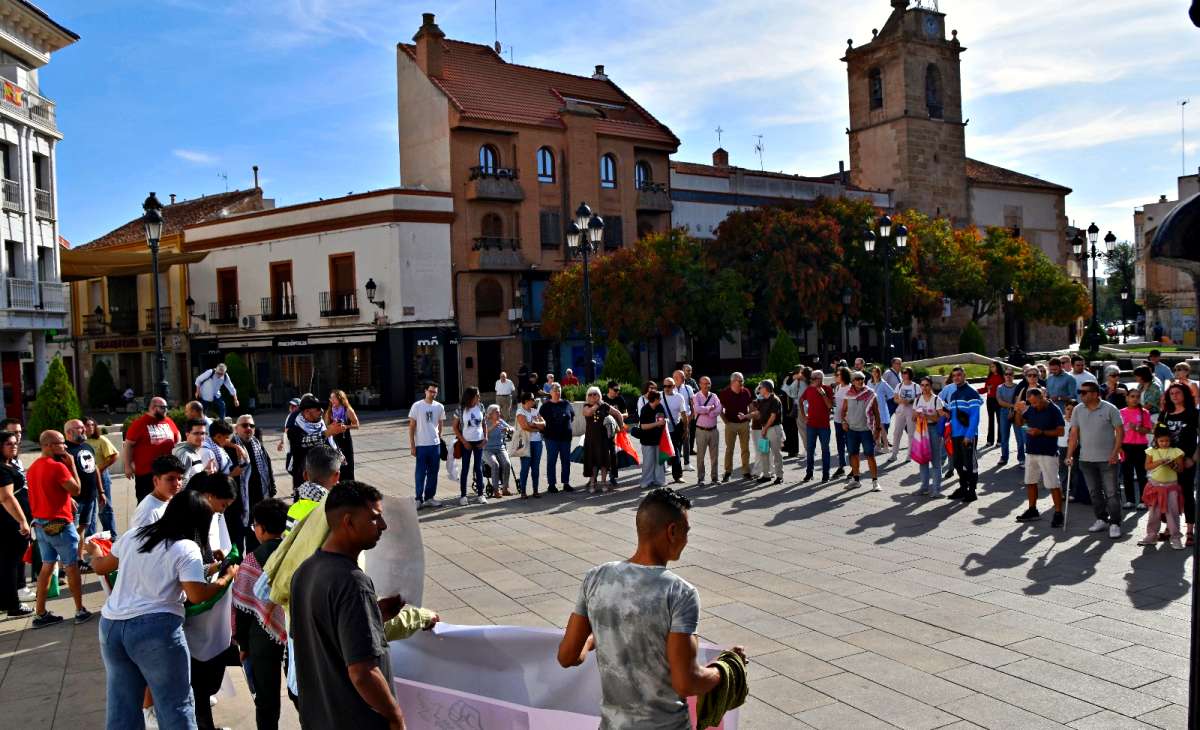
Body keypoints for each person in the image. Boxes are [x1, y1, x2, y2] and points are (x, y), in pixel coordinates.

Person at [557, 488, 745, 729]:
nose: (687, 540)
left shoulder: (596, 578)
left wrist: (601, 633)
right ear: (673, 531)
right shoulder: (679, 592)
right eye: (686, 532)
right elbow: (686, 682)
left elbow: (567, 656)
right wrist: (726, 667)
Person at [87, 490, 235, 730]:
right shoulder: (185, 547)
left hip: (112, 627)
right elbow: (197, 595)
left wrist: (94, 553)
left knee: (122, 707)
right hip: (156, 630)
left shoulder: (134, 535)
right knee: (175, 705)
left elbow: (102, 566)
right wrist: (226, 577)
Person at [290, 482, 407, 730]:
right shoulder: (352, 582)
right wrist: (395, 716)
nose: (383, 526)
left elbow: (321, 634)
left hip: (318, 718)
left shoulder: (305, 571)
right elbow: (362, 673)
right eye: (375, 518)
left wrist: (375, 614)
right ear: (348, 521)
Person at [234, 497, 290, 730]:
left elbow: (242, 609)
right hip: (296, 634)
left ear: (262, 528)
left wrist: (243, 646)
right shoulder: (295, 552)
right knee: (303, 692)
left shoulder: (251, 561)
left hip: (262, 638)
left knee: (266, 699)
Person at [27, 430, 90, 628]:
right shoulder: (58, 467)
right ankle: (80, 610)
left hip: (40, 524)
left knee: (46, 566)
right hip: (60, 525)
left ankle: (40, 613)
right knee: (71, 566)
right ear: (48, 445)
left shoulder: (33, 468)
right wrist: (72, 466)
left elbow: (48, 491)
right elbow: (77, 490)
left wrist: (66, 498)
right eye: (61, 443)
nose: (65, 446)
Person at [1066, 381, 1125, 539]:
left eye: (1084, 392)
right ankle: (1101, 519)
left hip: (1108, 459)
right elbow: (1074, 434)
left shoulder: (1110, 408)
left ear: (1094, 393)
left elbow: (1120, 432)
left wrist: (1115, 452)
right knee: (1094, 493)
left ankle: (1115, 523)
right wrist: (1069, 454)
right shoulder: (1078, 409)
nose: (1081, 395)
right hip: (1086, 459)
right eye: (1080, 392)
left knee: (1111, 493)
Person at [1013, 388, 1066, 526]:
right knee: (1030, 481)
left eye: (1036, 403)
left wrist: (1041, 432)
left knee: (1053, 484)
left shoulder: (1054, 410)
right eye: (1031, 403)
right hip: (1031, 451)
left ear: (1042, 397)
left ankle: (1058, 513)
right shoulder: (1031, 409)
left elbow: (1060, 431)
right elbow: (1019, 424)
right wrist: (1018, 411)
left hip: (1048, 452)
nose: (1034, 406)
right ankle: (1032, 509)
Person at [1156, 383, 1198, 545]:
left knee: (1187, 494)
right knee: (1168, 495)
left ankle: (1189, 530)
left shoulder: (1194, 414)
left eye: (1178, 393)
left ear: (1185, 394)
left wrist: (1193, 458)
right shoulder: (1165, 415)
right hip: (1167, 462)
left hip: (1186, 460)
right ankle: (1170, 529)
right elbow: (1158, 438)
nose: (1174, 396)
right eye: (1171, 393)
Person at [123, 397, 181, 502]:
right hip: (146, 472)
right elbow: (128, 445)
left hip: (167, 471)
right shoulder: (139, 424)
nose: (166, 410)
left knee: (167, 502)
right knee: (146, 501)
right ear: (153, 408)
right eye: (163, 407)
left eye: (167, 407)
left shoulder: (168, 421)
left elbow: (177, 437)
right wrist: (127, 466)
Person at [1139, 428, 1187, 550]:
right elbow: (1147, 466)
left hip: (1171, 487)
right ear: (1156, 440)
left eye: (1167, 440)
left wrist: (1172, 464)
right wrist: (1159, 462)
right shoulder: (1151, 451)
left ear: (1171, 440)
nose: (1164, 443)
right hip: (1155, 486)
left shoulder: (1176, 451)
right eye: (1161, 441)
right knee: (1153, 513)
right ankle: (1151, 535)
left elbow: (1181, 469)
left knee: (1172, 513)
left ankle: (1175, 537)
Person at [288, 395, 345, 494]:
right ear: (306, 412)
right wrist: (327, 433)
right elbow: (305, 441)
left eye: (322, 408)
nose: (322, 411)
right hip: (305, 483)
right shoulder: (294, 429)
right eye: (318, 409)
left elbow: (329, 444)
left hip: (326, 479)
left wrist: (339, 456)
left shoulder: (321, 424)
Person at [0, 430, 30, 617]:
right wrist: (22, 521)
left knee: (6, 564)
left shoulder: (8, 465)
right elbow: (6, 498)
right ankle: (13, 606)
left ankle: (6, 602)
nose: (14, 446)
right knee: (9, 565)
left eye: (15, 443)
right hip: (9, 525)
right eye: (9, 444)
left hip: (10, 524)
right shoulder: (2, 469)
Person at [234, 413, 276, 545]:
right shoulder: (231, 447)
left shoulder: (258, 445)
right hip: (240, 502)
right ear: (237, 428)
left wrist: (272, 487)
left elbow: (268, 466)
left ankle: (253, 565)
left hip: (259, 500)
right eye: (244, 425)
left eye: (251, 425)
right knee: (238, 542)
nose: (248, 428)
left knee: (256, 540)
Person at [945, 367, 983, 504]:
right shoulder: (954, 394)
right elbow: (953, 415)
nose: (956, 377)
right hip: (955, 434)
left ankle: (972, 491)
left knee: (970, 464)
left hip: (967, 435)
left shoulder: (971, 393)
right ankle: (963, 488)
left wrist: (969, 435)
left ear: (964, 376)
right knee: (957, 463)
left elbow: (975, 416)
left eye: (959, 375)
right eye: (954, 375)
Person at [840, 371, 881, 491]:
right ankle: (856, 480)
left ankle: (875, 482)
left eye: (862, 379)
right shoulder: (848, 394)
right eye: (857, 379)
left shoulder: (870, 394)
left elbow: (877, 414)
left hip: (866, 430)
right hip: (852, 430)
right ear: (852, 382)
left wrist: (877, 430)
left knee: (870, 455)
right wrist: (843, 422)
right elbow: (843, 411)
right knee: (853, 455)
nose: (860, 381)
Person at [64, 419, 102, 543]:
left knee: (83, 529)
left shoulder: (87, 446)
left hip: (90, 497)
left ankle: (79, 559)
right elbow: (57, 478)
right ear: (69, 432)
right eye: (80, 427)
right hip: (75, 500)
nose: (84, 429)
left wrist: (101, 491)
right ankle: (70, 561)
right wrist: (68, 498)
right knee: (71, 532)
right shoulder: (64, 451)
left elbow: (94, 468)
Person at [408, 382, 445, 509]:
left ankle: (430, 497)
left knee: (433, 472)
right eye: (431, 391)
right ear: (425, 391)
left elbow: (440, 424)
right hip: (421, 445)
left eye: (435, 392)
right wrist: (412, 445)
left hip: (435, 445)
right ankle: (418, 498)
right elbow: (412, 426)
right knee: (420, 473)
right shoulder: (417, 406)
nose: (433, 394)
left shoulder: (439, 407)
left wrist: (439, 438)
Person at [83, 417, 119, 537]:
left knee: (104, 507)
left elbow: (114, 455)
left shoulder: (100, 440)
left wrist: (100, 468)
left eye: (92, 425)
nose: (90, 428)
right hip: (86, 479)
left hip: (102, 477)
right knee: (89, 510)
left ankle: (111, 536)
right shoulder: (80, 442)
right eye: (87, 425)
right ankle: (91, 538)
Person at [131, 454, 187, 529]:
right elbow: (140, 540)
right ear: (156, 480)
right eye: (170, 479)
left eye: (180, 478)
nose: (177, 483)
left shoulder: (172, 500)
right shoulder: (147, 513)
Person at [582, 387, 621, 493]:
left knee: (604, 462)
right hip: (591, 439)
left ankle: (603, 482)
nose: (592, 396)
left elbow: (617, 413)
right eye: (590, 394)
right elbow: (588, 413)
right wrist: (598, 404)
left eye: (595, 394)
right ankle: (592, 483)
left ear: (599, 395)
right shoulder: (586, 406)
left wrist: (621, 427)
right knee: (593, 462)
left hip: (604, 439)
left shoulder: (604, 406)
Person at [453, 386, 487, 506]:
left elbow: (484, 423)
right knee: (465, 468)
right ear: (470, 396)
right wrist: (464, 442)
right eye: (477, 395)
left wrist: (485, 437)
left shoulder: (481, 406)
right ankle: (463, 496)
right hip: (466, 442)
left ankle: (480, 495)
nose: (479, 397)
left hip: (479, 441)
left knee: (478, 468)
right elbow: (455, 428)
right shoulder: (461, 409)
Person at [539, 383, 575, 494]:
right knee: (552, 461)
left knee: (566, 461)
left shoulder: (566, 404)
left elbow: (571, 417)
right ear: (550, 392)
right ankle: (551, 484)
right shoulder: (545, 406)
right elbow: (540, 421)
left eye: (559, 390)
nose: (557, 392)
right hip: (551, 438)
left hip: (565, 438)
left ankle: (566, 483)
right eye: (555, 390)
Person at [914, 377, 947, 498]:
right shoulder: (918, 399)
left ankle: (936, 489)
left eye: (927, 385)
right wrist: (917, 415)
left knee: (935, 461)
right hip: (921, 429)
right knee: (923, 459)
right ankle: (924, 487)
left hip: (933, 429)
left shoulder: (936, 400)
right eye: (922, 385)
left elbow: (940, 418)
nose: (924, 388)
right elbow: (913, 417)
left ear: (931, 386)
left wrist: (926, 415)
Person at [1120, 389, 1152, 511]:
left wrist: (1138, 428)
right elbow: (1117, 431)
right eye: (1132, 396)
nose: (1135, 399)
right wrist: (1118, 447)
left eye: (1137, 397)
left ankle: (1143, 501)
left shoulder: (1145, 412)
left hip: (1140, 446)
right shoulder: (1120, 412)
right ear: (1127, 398)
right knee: (1127, 474)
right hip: (1125, 446)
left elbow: (1148, 430)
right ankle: (1129, 500)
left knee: (1141, 475)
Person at [719, 372, 752, 482]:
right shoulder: (725, 393)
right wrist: (725, 421)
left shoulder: (746, 391)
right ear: (733, 382)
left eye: (743, 380)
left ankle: (746, 471)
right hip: (731, 424)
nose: (742, 383)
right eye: (740, 381)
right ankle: (728, 472)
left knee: (745, 449)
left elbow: (750, 406)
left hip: (744, 424)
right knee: (729, 449)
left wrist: (749, 418)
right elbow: (720, 409)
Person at [801, 370, 834, 483]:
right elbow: (800, 400)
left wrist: (823, 394)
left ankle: (826, 475)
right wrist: (803, 415)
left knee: (825, 450)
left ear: (821, 379)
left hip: (824, 425)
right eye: (812, 378)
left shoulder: (828, 389)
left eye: (815, 378)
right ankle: (809, 473)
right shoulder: (809, 389)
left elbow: (830, 405)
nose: (812, 380)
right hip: (811, 425)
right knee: (810, 449)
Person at [691, 376, 722, 485]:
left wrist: (711, 412)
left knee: (715, 456)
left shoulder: (714, 396)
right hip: (701, 431)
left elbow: (719, 408)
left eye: (708, 383)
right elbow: (697, 409)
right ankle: (701, 478)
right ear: (700, 384)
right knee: (700, 456)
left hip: (714, 430)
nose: (706, 385)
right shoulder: (696, 396)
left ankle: (714, 478)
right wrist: (710, 408)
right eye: (704, 383)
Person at [325, 390, 360, 481]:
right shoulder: (330, 411)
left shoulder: (348, 410)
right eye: (330, 398)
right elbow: (325, 427)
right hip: (334, 441)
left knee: (348, 466)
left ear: (340, 399)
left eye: (334, 398)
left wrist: (346, 426)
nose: (331, 400)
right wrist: (331, 427)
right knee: (336, 466)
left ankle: (349, 486)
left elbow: (357, 425)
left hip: (345, 441)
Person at [515, 392, 545, 498]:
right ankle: (523, 492)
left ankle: (535, 491)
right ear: (526, 400)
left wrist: (533, 424)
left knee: (535, 467)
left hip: (537, 442)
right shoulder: (520, 411)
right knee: (525, 467)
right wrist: (537, 426)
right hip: (526, 442)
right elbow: (525, 426)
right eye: (532, 399)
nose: (534, 401)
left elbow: (544, 425)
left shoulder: (535, 411)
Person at [482, 404, 514, 497]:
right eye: (497, 412)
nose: (499, 413)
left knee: (507, 463)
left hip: (500, 448)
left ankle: (505, 488)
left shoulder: (500, 421)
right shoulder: (485, 422)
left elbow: (513, 428)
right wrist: (493, 426)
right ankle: (496, 490)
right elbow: (482, 433)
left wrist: (508, 429)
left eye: (499, 411)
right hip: (487, 449)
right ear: (490, 414)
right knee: (495, 464)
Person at [661, 377, 688, 484]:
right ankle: (658, 476)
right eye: (664, 386)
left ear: (673, 386)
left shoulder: (679, 397)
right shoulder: (659, 396)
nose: (666, 388)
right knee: (662, 454)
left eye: (669, 386)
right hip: (661, 430)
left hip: (674, 429)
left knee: (676, 453)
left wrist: (686, 428)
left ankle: (677, 476)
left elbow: (684, 414)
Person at [173, 418, 217, 486]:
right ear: (187, 434)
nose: (201, 437)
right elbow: (180, 485)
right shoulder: (184, 454)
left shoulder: (195, 450)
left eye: (203, 433)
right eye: (196, 433)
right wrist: (203, 475)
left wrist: (205, 473)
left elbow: (193, 477)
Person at [638, 391, 668, 488]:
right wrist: (657, 424)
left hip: (659, 439)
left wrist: (665, 421)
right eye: (659, 398)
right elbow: (643, 426)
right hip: (647, 441)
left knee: (659, 462)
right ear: (655, 399)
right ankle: (646, 481)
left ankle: (659, 480)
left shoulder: (660, 407)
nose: (660, 400)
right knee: (648, 462)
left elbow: (664, 418)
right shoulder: (645, 409)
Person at [889, 367, 918, 463]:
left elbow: (918, 399)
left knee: (911, 433)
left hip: (911, 409)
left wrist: (909, 401)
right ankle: (894, 454)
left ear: (910, 374)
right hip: (901, 409)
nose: (903, 375)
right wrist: (901, 401)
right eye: (902, 373)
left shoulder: (915, 386)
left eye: (905, 373)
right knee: (897, 432)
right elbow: (895, 399)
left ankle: (909, 455)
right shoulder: (899, 385)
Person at [602, 382, 628, 486]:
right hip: (603, 430)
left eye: (618, 390)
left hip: (616, 430)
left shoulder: (620, 399)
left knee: (613, 454)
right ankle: (594, 477)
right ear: (609, 389)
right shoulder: (603, 398)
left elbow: (626, 413)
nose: (617, 392)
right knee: (602, 453)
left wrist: (618, 414)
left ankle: (612, 476)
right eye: (615, 390)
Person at [781, 367, 808, 462]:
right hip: (804, 407)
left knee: (802, 429)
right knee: (803, 429)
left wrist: (785, 383)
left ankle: (807, 450)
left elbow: (791, 393)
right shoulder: (806, 380)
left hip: (801, 407)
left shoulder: (800, 381)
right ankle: (806, 449)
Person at [832, 367, 853, 478]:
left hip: (847, 422)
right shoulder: (838, 387)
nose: (836, 376)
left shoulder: (850, 388)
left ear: (844, 375)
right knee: (840, 445)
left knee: (849, 445)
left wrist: (845, 420)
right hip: (837, 420)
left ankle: (854, 468)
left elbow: (850, 407)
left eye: (838, 374)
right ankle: (841, 467)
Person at [995, 369, 1018, 467]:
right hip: (1004, 412)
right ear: (1004, 376)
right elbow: (1000, 401)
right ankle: (1004, 457)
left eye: (1010, 374)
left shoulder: (1017, 387)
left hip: (1016, 413)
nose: (1008, 376)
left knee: (1019, 437)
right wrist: (1012, 407)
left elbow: (1018, 400)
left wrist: (1013, 410)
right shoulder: (999, 387)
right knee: (1004, 436)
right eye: (1006, 374)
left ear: (1013, 376)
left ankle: (1021, 458)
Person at [981, 361, 1005, 447]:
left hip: (998, 400)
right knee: (990, 420)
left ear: (997, 367)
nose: (992, 368)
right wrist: (975, 391)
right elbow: (985, 389)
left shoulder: (1002, 377)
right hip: (989, 400)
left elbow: (1003, 389)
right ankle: (990, 440)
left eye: (993, 366)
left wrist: (993, 387)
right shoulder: (989, 377)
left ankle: (1000, 440)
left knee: (999, 421)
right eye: (991, 367)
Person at [869, 367, 893, 452]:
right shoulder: (869, 382)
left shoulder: (883, 383)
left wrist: (884, 399)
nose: (875, 373)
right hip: (872, 407)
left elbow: (891, 394)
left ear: (879, 373)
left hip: (881, 408)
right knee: (875, 427)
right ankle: (878, 445)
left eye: (876, 372)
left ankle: (886, 446)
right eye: (873, 372)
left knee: (882, 427)